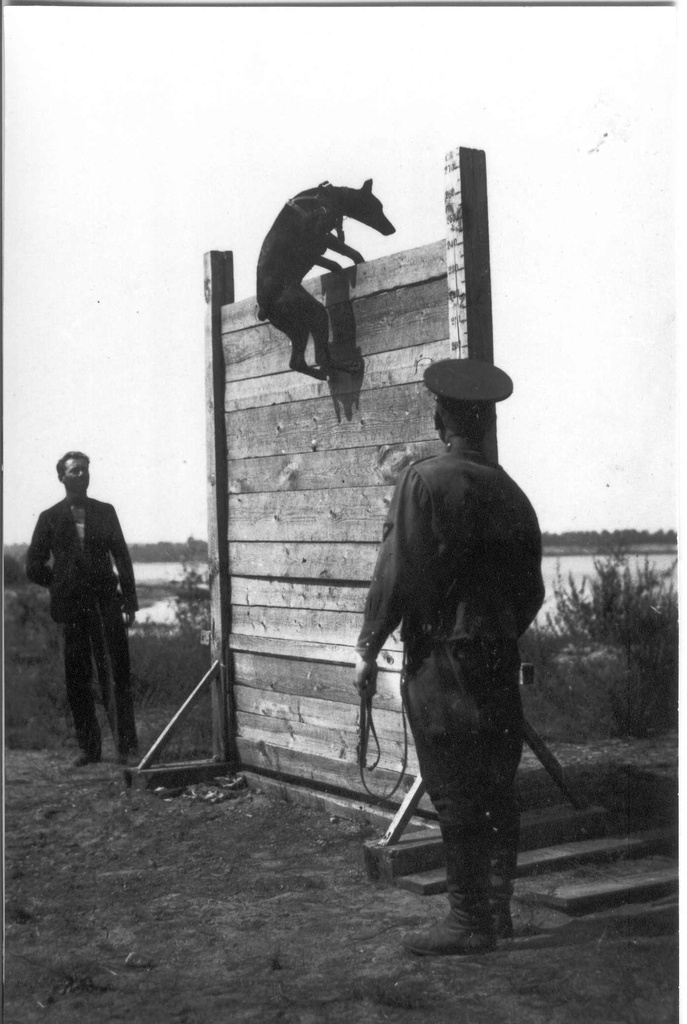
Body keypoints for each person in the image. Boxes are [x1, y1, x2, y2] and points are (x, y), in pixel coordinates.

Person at [354, 359, 545, 956]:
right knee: (495, 787)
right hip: (497, 660)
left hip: (442, 662)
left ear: (442, 419)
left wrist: (368, 647)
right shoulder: (515, 494)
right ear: (485, 423)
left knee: (457, 789)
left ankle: (467, 922)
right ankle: (498, 913)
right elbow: (532, 591)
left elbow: (397, 573)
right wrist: (495, 632)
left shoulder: (422, 480)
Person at [26, 451, 139, 766]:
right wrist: (59, 583)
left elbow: (122, 556)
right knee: (77, 678)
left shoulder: (106, 511)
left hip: (106, 604)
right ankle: (88, 750)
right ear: (61, 476)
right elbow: (33, 565)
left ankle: (127, 748)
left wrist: (130, 601)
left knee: (115, 675)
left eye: (85, 470)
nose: (82, 475)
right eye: (74, 470)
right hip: (71, 608)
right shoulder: (49, 518)